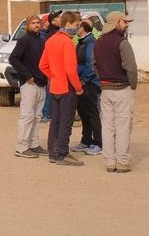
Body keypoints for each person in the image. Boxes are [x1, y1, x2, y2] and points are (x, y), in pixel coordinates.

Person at [95, 11, 138, 173]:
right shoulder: (122, 43)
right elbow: (131, 68)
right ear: (115, 22)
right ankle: (122, 162)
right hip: (122, 89)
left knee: (107, 127)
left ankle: (109, 162)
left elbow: (94, 64)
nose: (127, 25)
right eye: (124, 22)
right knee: (123, 126)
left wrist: (103, 79)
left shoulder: (98, 42)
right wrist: (132, 85)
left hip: (105, 90)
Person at [39, 11, 83, 166]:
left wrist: (54, 76)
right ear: (69, 24)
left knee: (55, 121)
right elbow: (71, 70)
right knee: (65, 122)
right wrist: (78, 87)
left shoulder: (51, 40)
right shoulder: (68, 43)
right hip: (67, 87)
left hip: (55, 87)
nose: (78, 29)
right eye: (77, 25)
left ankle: (53, 152)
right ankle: (62, 153)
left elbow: (42, 65)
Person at [11, 15, 48, 158]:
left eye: (38, 22)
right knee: (27, 116)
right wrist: (27, 75)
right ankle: (21, 147)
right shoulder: (24, 40)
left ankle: (33, 144)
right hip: (29, 84)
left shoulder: (40, 40)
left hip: (41, 83)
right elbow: (13, 58)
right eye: (33, 23)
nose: (36, 25)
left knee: (37, 116)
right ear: (28, 25)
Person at [70, 21, 103, 156]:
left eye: (77, 27)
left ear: (82, 28)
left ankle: (98, 143)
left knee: (92, 113)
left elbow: (91, 63)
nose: (75, 29)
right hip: (81, 82)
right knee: (83, 113)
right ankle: (86, 140)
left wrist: (84, 80)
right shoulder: (81, 42)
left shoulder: (90, 43)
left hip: (90, 84)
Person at [39, 10, 63, 123]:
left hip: (52, 68)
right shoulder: (53, 34)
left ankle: (48, 113)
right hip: (53, 68)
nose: (61, 19)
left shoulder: (55, 32)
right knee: (51, 91)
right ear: (52, 21)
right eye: (58, 17)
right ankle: (47, 113)